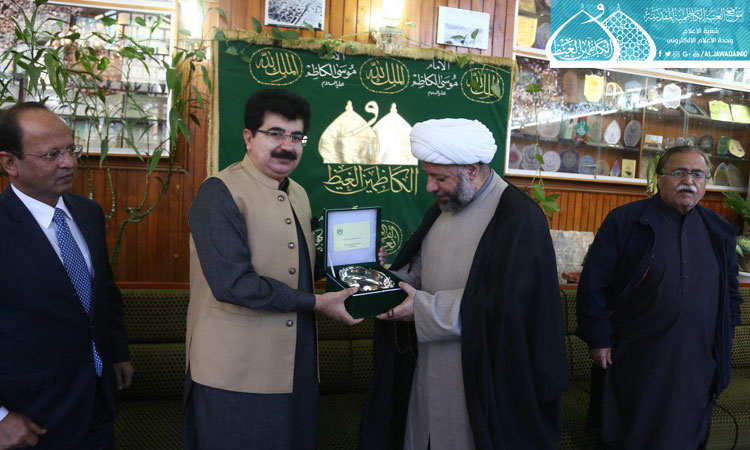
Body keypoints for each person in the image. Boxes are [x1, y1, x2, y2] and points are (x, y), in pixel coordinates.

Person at [358, 118, 568, 450]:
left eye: (439, 178)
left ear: (471, 170)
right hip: (427, 368)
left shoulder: (518, 218)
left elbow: (507, 304)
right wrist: (381, 280)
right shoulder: (443, 208)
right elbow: (419, 273)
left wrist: (422, 309)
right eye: (428, 175)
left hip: (486, 375)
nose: (430, 187)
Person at [183, 88, 360, 450]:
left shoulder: (298, 193)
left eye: (296, 137)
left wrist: (357, 260)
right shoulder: (219, 192)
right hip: (235, 373)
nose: (287, 146)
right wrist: (317, 303)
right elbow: (233, 283)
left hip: (297, 366)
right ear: (249, 138)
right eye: (275, 133)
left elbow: (299, 266)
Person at [576, 145, 742, 449]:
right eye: (679, 172)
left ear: (706, 182)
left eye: (698, 174)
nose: (688, 181)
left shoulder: (719, 231)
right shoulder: (626, 222)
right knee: (631, 433)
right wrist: (598, 338)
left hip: (697, 362)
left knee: (687, 435)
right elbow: (593, 284)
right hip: (636, 357)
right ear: (660, 177)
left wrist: (725, 340)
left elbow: (731, 295)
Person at [0, 102, 133, 449]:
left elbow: (105, 293)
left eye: (72, 150)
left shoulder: (88, 213)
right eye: (52, 155)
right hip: (29, 418)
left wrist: (117, 353)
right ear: (10, 163)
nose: (69, 163)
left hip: (97, 403)